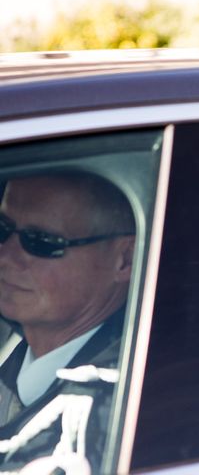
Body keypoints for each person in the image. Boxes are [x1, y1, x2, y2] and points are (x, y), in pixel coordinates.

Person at [0, 173, 135, 470]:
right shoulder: (15, 353)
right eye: (2, 230)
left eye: (42, 242)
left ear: (124, 259)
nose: (5, 256)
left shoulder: (120, 410)